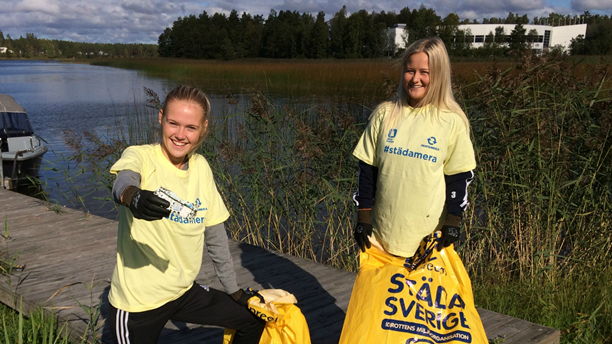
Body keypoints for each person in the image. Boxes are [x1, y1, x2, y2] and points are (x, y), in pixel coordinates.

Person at [107, 85, 264, 344]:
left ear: (204, 128)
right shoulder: (141, 156)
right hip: (138, 303)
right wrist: (133, 197)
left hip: (182, 292)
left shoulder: (201, 168)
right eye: (173, 123)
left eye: (190, 127)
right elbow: (122, 182)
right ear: (161, 118)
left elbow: (215, 235)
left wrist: (233, 291)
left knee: (251, 321)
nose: (180, 135)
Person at [352, 36, 476, 258]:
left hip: (428, 243)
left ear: (439, 75)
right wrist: (363, 217)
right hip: (381, 238)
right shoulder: (385, 114)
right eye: (410, 71)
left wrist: (453, 221)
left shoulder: (452, 121)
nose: (415, 79)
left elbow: (459, 176)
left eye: (424, 72)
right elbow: (367, 171)